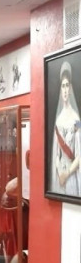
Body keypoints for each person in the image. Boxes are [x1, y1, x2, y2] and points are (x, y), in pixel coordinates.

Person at [51, 61, 81, 196]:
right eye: (63, 86)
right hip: (60, 178)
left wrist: (67, 173)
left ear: (70, 88)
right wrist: (60, 173)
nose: (65, 90)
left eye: (67, 85)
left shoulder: (77, 120)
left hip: (71, 175)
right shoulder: (58, 120)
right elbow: (56, 154)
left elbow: (79, 155)